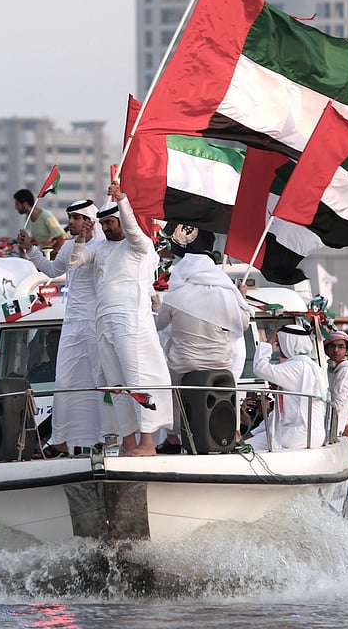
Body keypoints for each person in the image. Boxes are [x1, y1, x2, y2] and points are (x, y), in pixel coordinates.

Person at [70, 182, 174, 457]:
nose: (105, 228)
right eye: (102, 223)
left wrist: (122, 200)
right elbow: (74, 262)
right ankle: (129, 443)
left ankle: (147, 443)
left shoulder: (138, 245)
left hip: (131, 322)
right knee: (116, 385)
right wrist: (82, 237)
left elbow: (131, 229)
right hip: (104, 322)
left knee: (137, 378)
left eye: (109, 223)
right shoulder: (101, 249)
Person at [17, 198, 107, 457]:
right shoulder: (68, 246)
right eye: (70, 217)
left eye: (76, 218)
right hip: (72, 322)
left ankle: (104, 437)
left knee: (98, 379)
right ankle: (60, 440)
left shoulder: (103, 247)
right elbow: (51, 269)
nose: (71, 222)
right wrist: (30, 248)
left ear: (89, 222)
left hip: (94, 321)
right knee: (65, 380)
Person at [153, 223, 252, 452]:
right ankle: (231, 433)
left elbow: (160, 326)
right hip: (220, 363)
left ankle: (173, 438)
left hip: (184, 365)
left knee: (164, 382)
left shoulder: (175, 296)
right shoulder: (227, 293)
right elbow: (243, 323)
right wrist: (242, 299)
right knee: (230, 383)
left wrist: (157, 306)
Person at [250, 325, 330, 449]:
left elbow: (260, 368)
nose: (277, 347)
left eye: (279, 343)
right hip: (306, 433)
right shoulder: (310, 365)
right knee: (252, 442)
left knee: (246, 447)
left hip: (300, 433)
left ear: (289, 343)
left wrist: (268, 342)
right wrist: (252, 433)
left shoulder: (298, 366)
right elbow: (279, 414)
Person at [14, 188, 67, 257]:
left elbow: (61, 239)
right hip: (41, 255)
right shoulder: (28, 216)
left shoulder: (47, 217)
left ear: (25, 204)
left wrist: (50, 256)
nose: (15, 207)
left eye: (17, 204)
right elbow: (37, 239)